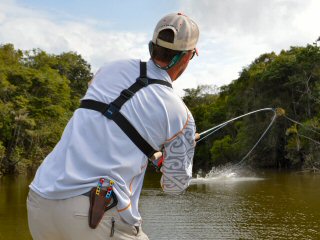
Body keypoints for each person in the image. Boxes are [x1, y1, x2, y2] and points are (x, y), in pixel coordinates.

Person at [27, 12, 199, 240]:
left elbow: (105, 122)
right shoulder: (182, 116)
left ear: (152, 46)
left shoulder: (109, 69)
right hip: (94, 215)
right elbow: (174, 185)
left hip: (40, 201)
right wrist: (182, 146)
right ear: (187, 57)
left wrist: (155, 154)